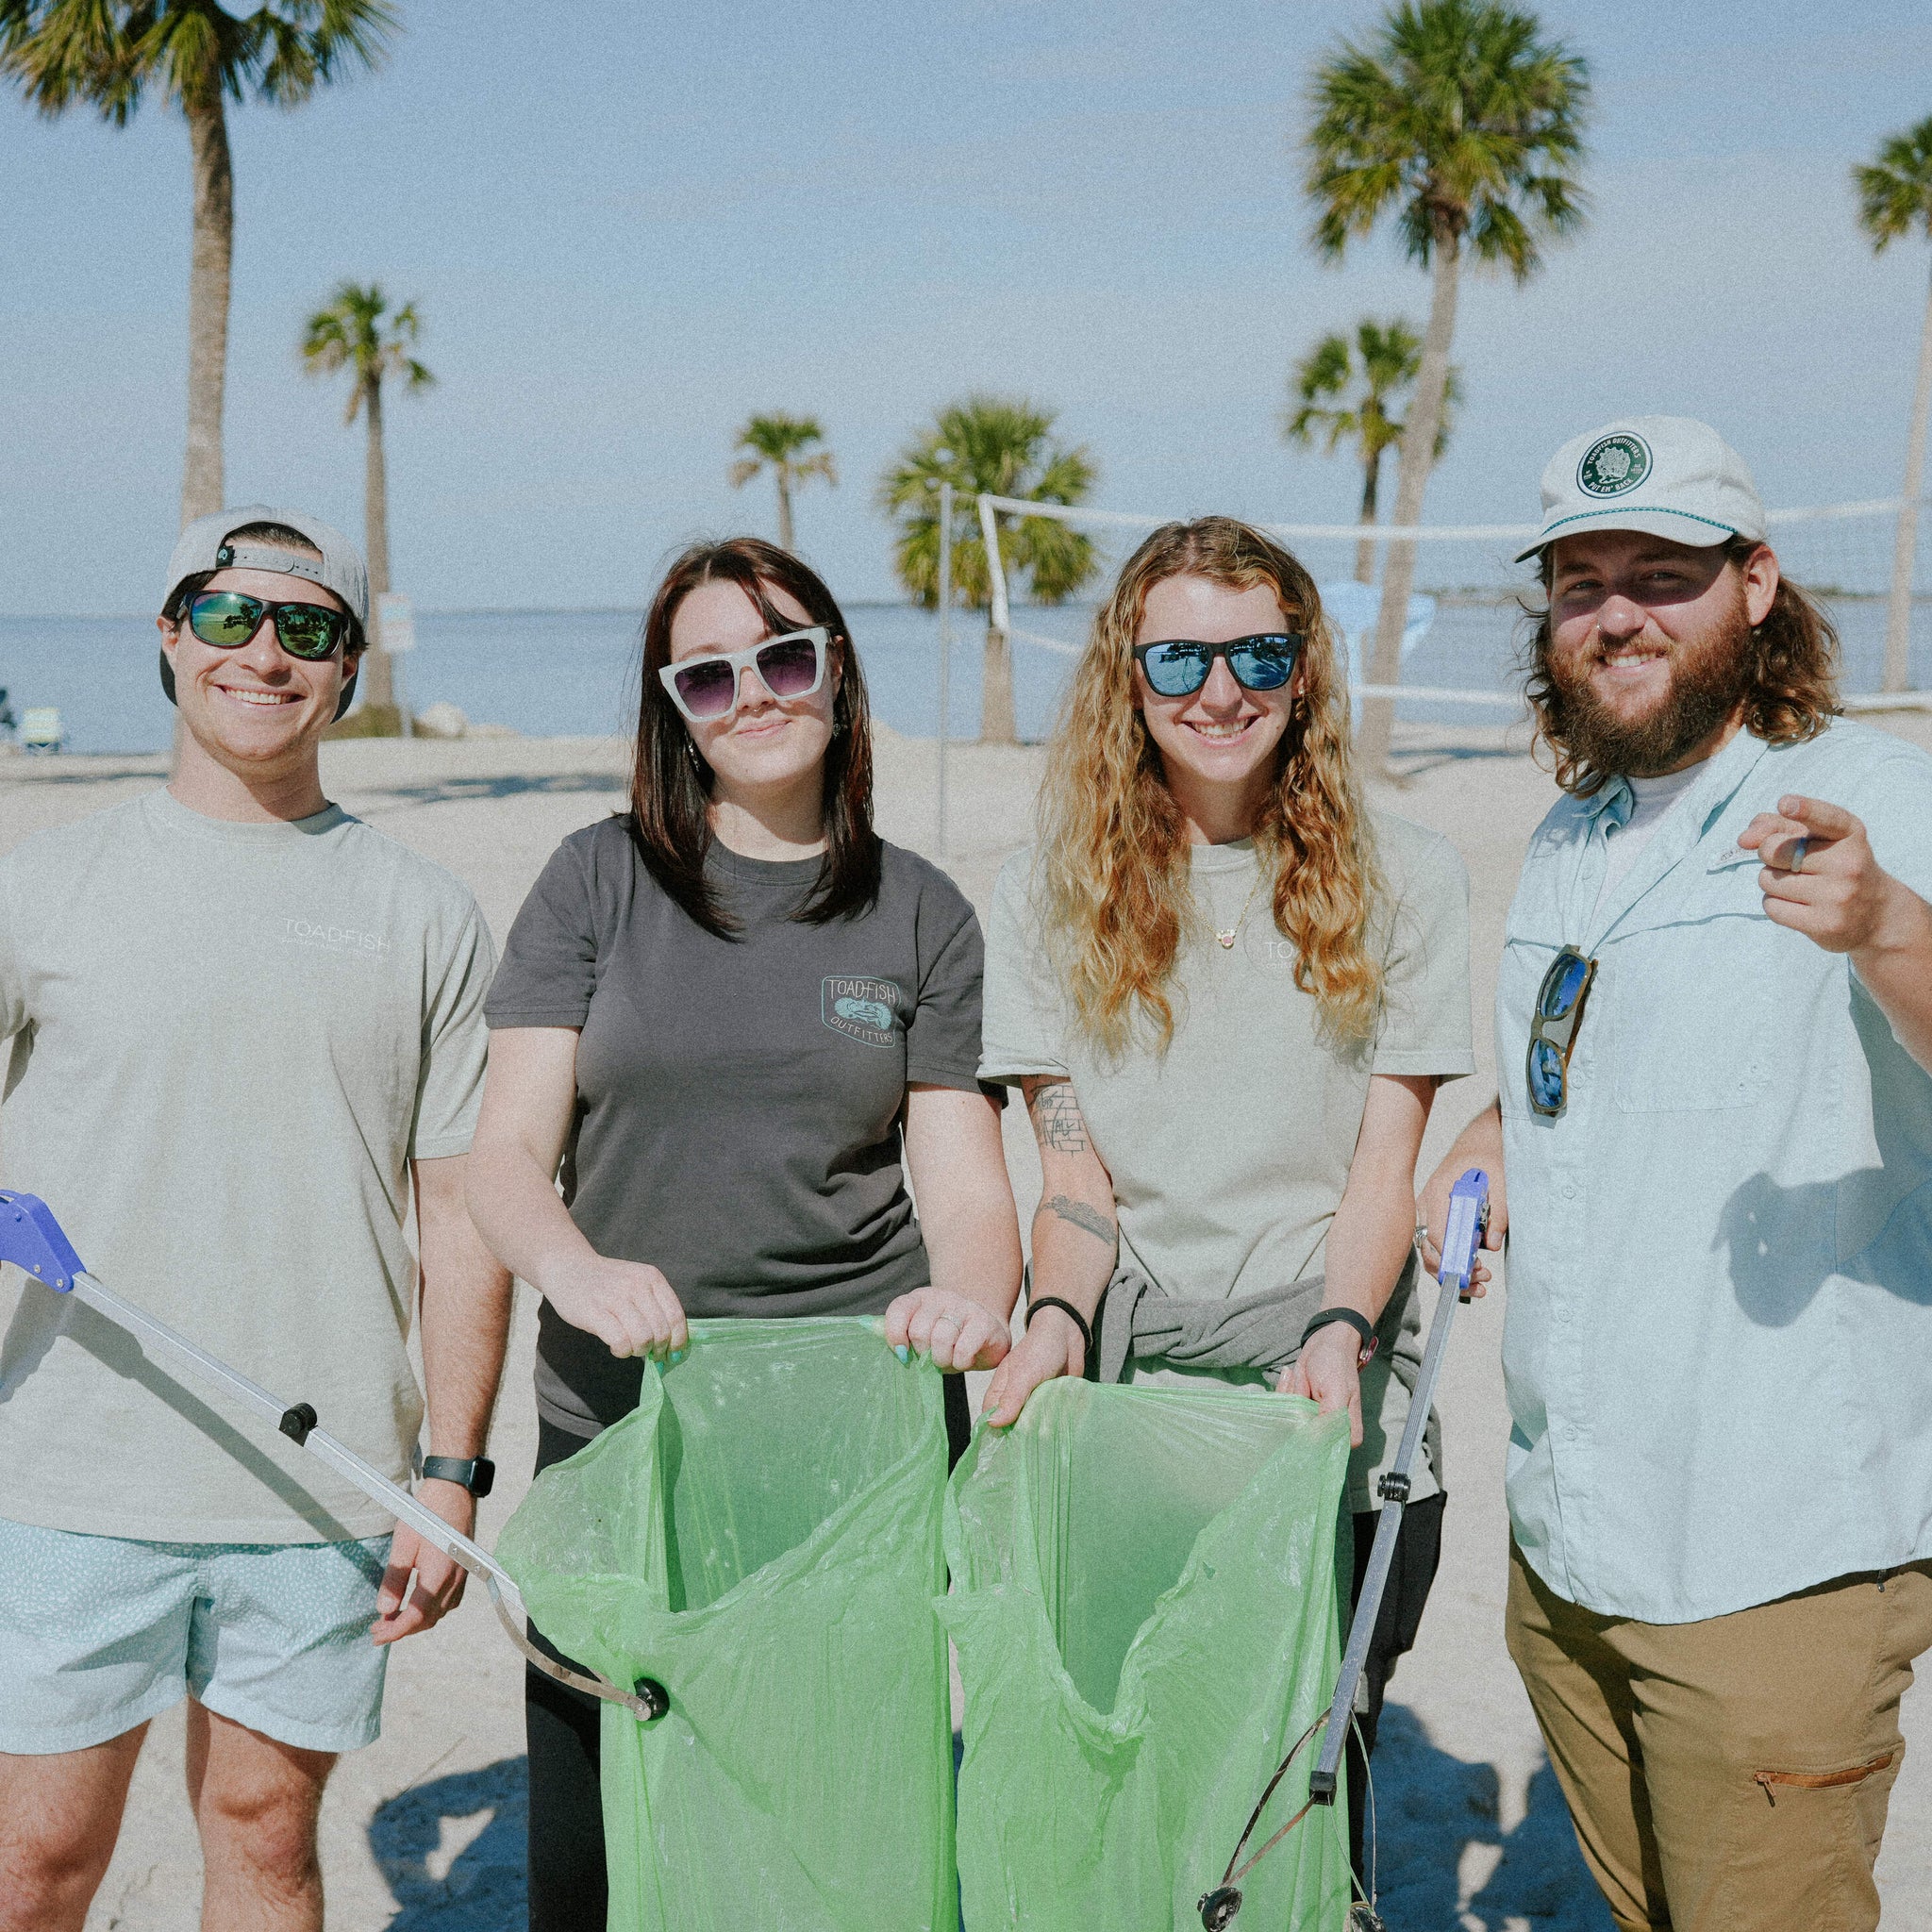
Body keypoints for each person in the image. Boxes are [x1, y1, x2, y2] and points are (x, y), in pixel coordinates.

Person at [466, 536, 1023, 1931]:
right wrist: (576, 1270)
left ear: (836, 668)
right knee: (601, 1833)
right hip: (621, 1425)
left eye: (782, 657)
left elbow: (961, 1188)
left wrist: (973, 1303)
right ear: (673, 706)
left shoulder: (922, 911)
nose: (753, 695)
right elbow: (507, 1159)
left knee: (820, 1826)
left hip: (850, 1442)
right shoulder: (593, 880)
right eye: (709, 675)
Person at [1421, 416, 1932, 1932]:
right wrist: (1495, 1136)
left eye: (1663, 573)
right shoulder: (1574, 832)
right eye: (1581, 583)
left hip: (1768, 1551)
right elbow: (1587, 1080)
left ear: (1757, 584)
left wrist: (1888, 928)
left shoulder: (1870, 791)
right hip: (1572, 1544)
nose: (1618, 612)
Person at [0, 509, 511, 1932]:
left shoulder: (424, 912)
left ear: (346, 666)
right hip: (66, 1479)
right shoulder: (42, 884)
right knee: (35, 1867)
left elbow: (459, 1208)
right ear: (170, 635)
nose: (262, 654)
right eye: (227, 618)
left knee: (266, 1844)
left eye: (305, 629)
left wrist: (453, 1471)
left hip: (323, 1483)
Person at [974, 515, 1474, 1886]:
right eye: (1178, 657)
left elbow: (1385, 1170)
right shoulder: (1044, 894)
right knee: (1143, 1780)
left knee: (1314, 1782)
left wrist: (1336, 1335)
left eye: (1258, 651)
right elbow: (1071, 1178)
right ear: (1124, 680)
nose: (1219, 690)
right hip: (1132, 1399)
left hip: (1336, 1391)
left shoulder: (1410, 879)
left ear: (1305, 669)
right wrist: (1056, 1322)